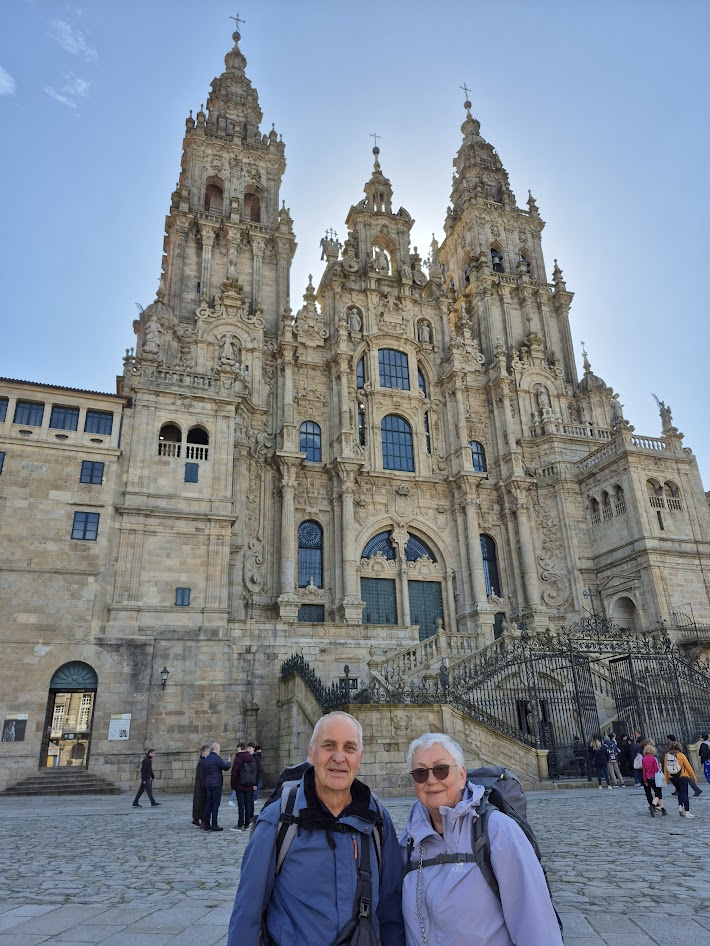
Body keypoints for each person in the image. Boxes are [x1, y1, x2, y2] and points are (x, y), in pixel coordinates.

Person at [227, 711, 404, 946]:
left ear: (359, 757)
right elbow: (248, 910)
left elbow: (391, 912)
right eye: (328, 746)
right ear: (311, 752)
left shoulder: (377, 820)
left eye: (349, 748)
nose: (339, 757)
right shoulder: (278, 820)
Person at [400, 732, 562, 946]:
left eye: (441, 769)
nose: (431, 780)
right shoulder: (409, 840)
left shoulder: (498, 831)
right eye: (420, 773)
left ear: (462, 774)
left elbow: (537, 929)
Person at [664, 740, 698, 818]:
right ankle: (687, 812)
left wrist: (666, 779)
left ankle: (680, 807)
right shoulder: (681, 755)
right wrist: (694, 777)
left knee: (679, 792)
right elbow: (688, 767)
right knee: (685, 794)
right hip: (683, 776)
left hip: (672, 777)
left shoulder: (667, 755)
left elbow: (665, 768)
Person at [201, 742, 230, 831]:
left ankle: (206, 824)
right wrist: (229, 761)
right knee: (215, 805)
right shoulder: (216, 758)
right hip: (216, 784)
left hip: (208, 784)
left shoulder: (207, 758)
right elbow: (226, 767)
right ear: (216, 749)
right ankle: (214, 824)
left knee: (208, 804)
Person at [229, 741, 257, 831]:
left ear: (239, 748)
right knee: (248, 804)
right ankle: (247, 823)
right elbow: (254, 771)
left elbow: (234, 773)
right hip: (248, 784)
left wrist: (233, 785)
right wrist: (253, 782)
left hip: (239, 784)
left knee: (241, 805)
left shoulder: (238, 758)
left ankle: (240, 824)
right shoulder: (251, 758)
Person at [641, 743, 666, 817]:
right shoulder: (653, 758)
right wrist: (659, 766)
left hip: (648, 777)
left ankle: (663, 809)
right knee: (658, 794)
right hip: (655, 777)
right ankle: (653, 806)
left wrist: (645, 780)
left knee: (658, 793)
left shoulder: (643, 759)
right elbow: (656, 769)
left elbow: (644, 771)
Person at [191, 744, 211, 826]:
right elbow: (202, 775)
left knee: (200, 802)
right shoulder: (202, 762)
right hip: (202, 786)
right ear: (203, 752)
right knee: (201, 803)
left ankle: (198, 818)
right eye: (207, 751)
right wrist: (204, 785)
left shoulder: (203, 761)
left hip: (201, 785)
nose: (209, 753)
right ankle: (200, 819)